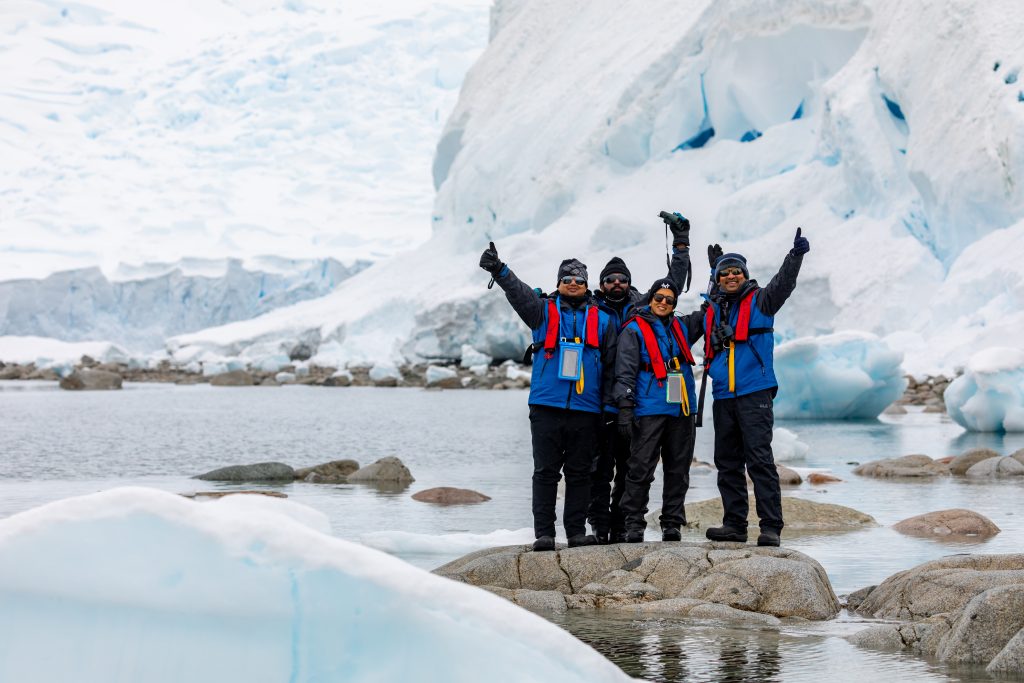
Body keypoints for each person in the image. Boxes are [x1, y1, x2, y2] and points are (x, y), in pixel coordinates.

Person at [479, 244, 618, 551]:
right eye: (567, 278)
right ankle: (544, 533)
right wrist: (499, 270)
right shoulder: (542, 311)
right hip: (546, 406)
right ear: (558, 283)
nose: (573, 283)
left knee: (580, 473)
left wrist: (608, 407)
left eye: (579, 279)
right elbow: (518, 292)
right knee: (545, 473)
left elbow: (611, 367)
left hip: (586, 408)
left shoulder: (604, 320)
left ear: (586, 284)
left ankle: (576, 532)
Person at [587, 213, 692, 544]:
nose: (616, 284)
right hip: (607, 401)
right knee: (605, 471)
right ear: (602, 283)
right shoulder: (591, 307)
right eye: (610, 279)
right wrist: (624, 405)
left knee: (639, 468)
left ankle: (630, 527)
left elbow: (671, 282)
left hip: (647, 402)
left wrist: (681, 244)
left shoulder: (643, 307)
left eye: (622, 279)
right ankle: (603, 527)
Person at [701, 228, 810, 547]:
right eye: (725, 273)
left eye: (736, 272)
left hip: (754, 393)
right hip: (723, 396)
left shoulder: (761, 301)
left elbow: (783, 285)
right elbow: (712, 292)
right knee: (728, 462)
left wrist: (795, 258)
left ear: (745, 275)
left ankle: (771, 527)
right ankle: (734, 525)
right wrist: (713, 268)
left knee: (760, 460)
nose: (731, 276)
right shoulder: (715, 307)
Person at [613, 277, 701, 542]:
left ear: (674, 304)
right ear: (650, 299)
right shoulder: (633, 330)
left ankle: (672, 523)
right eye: (659, 298)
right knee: (640, 468)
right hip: (649, 406)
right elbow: (625, 370)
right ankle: (634, 524)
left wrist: (713, 272)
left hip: (681, 407)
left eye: (669, 300)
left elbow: (713, 308)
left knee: (678, 468)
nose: (663, 303)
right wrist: (625, 407)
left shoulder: (682, 327)